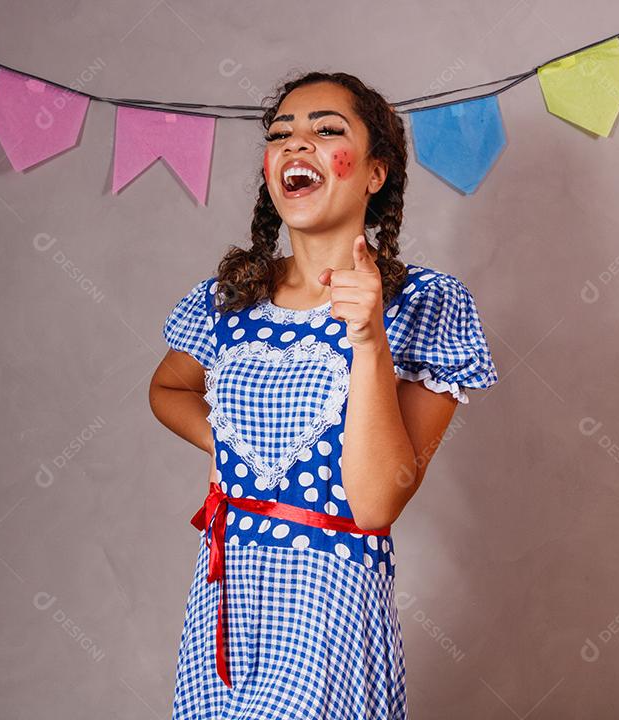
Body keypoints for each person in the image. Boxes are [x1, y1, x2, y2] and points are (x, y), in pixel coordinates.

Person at [147, 70, 500, 719]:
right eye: (281, 134)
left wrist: (368, 337)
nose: (296, 145)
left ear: (374, 172)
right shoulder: (230, 300)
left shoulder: (424, 305)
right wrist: (234, 444)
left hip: (331, 611)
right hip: (228, 602)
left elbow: (375, 503)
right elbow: (168, 388)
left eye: (326, 131)